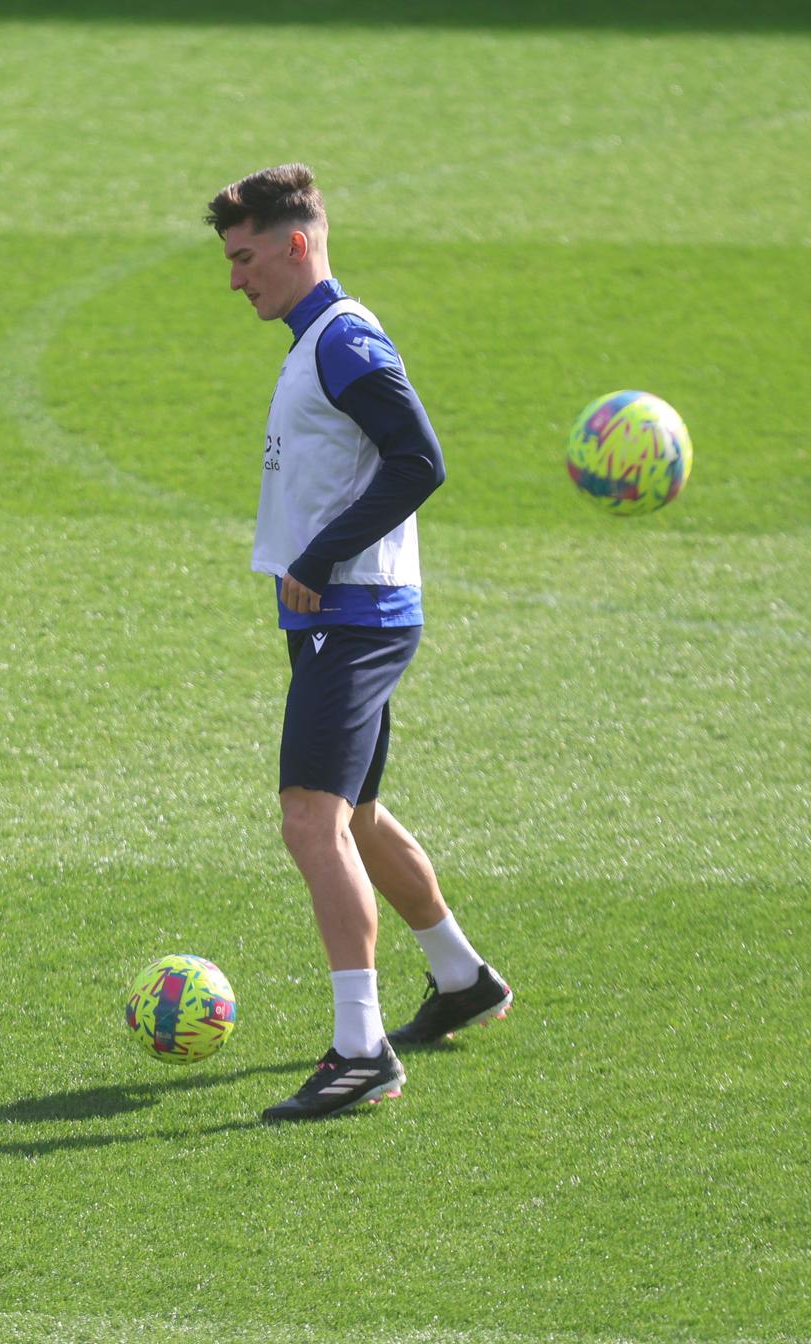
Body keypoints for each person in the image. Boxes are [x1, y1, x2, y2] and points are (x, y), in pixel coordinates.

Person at [203, 164, 511, 1122]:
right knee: (359, 814)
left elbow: (421, 459)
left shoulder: (345, 341)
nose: (234, 277)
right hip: (341, 616)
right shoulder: (316, 342)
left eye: (246, 256)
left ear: (297, 243)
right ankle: (462, 979)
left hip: (356, 616)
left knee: (310, 821)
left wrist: (325, 554)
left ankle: (359, 1050)